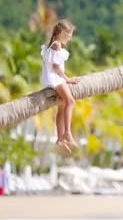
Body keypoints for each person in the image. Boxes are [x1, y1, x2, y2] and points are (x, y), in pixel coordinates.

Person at [41, 19, 80, 152]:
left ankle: (59, 138)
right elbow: (56, 67)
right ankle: (67, 133)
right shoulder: (57, 45)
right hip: (55, 79)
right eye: (69, 35)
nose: (70, 38)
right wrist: (68, 80)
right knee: (70, 102)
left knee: (62, 106)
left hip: (51, 78)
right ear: (62, 32)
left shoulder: (52, 44)